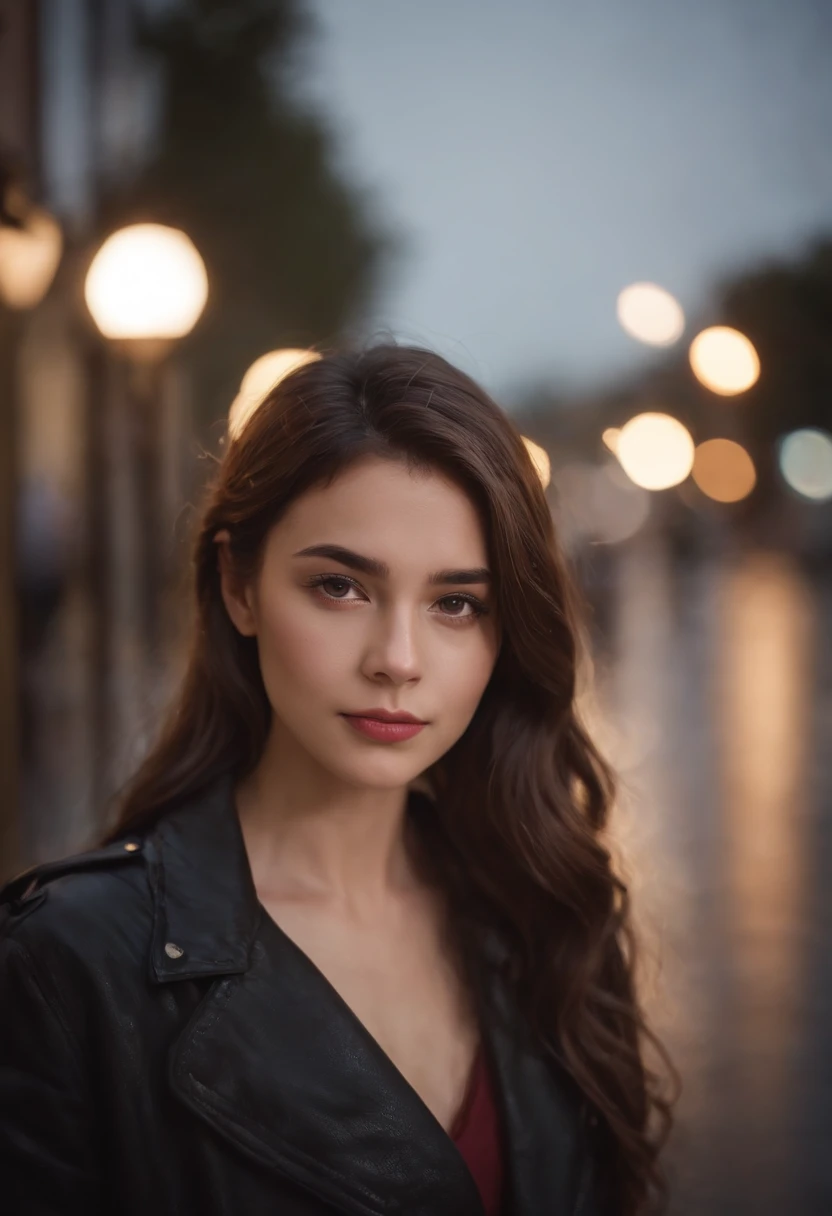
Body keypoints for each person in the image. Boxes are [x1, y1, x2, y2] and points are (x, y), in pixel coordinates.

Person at [0, 343, 678, 1215]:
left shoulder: (546, 914)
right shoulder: (67, 968)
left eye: (455, 604)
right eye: (340, 587)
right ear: (238, 583)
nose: (397, 661)